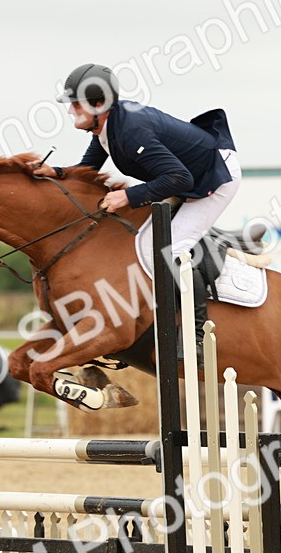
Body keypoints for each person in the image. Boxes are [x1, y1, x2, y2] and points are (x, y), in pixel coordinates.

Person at [32, 63, 239, 359]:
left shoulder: (131, 131)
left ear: (99, 105)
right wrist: (56, 171)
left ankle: (197, 337)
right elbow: (88, 168)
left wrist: (128, 196)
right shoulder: (108, 126)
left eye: (76, 104)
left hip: (214, 178)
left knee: (171, 249)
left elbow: (181, 179)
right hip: (187, 175)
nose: (70, 110)